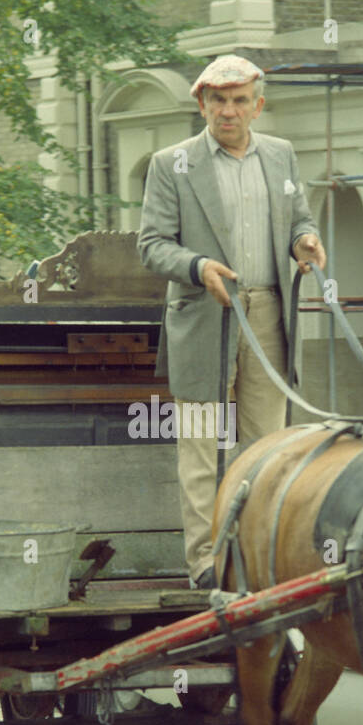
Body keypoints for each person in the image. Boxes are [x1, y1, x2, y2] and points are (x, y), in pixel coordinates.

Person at [137, 55, 326, 589]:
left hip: (267, 314)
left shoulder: (282, 157)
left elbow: (300, 219)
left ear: (257, 107)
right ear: (201, 104)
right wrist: (197, 267)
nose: (229, 110)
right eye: (218, 100)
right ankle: (205, 561)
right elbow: (151, 246)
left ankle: (264, 557)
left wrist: (304, 242)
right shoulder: (170, 163)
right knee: (202, 446)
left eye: (240, 100)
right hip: (204, 316)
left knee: (270, 446)